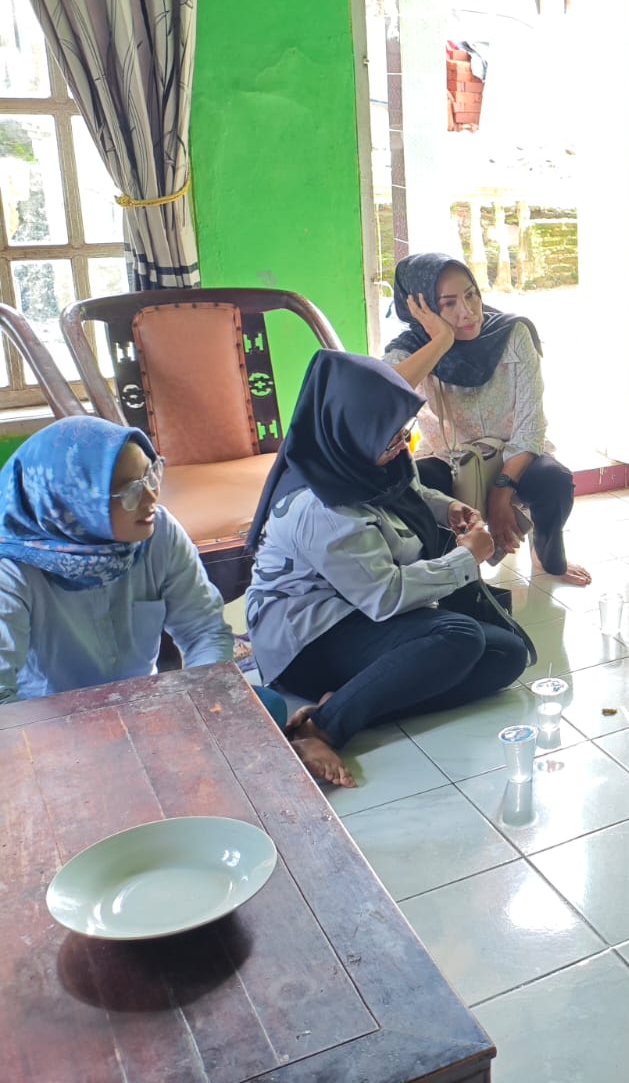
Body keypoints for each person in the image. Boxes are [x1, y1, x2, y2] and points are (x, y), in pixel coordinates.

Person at [245, 350, 533, 785]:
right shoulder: (323, 508)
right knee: (457, 635)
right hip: (306, 636)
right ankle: (320, 728)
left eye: (404, 429)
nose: (401, 441)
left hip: (355, 606)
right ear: (353, 427)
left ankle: (350, 700)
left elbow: (408, 491)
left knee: (505, 656)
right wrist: (466, 558)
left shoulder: (365, 454)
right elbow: (386, 596)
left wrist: (447, 507)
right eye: (389, 433)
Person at [0, 417, 338, 768]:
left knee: (265, 706)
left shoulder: (158, 533)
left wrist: (199, 704)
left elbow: (204, 631)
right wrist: (82, 746)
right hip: (55, 729)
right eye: (129, 491)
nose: (150, 497)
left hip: (143, 709)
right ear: (72, 504)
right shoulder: (12, 570)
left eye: (151, 475)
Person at [385, 251, 590, 585]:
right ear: (421, 309)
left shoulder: (511, 333)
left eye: (471, 295)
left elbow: (531, 427)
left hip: (515, 456)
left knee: (554, 480)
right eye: (448, 303)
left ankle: (545, 555)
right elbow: (384, 394)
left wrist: (501, 492)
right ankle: (455, 571)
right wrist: (441, 341)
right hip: (450, 459)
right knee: (418, 486)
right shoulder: (412, 348)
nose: (468, 311)